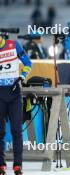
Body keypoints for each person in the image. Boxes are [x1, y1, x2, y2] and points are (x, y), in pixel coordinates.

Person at [0, 34, 32, 175]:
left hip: (14, 93)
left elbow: (28, 63)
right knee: (0, 132)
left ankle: (17, 165)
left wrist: (22, 77)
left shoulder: (14, 45)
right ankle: (1, 165)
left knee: (16, 131)